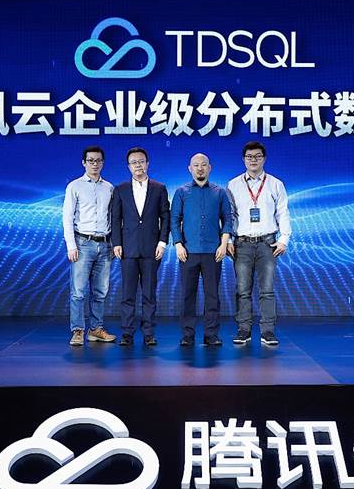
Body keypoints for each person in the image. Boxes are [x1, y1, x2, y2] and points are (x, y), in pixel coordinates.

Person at [226, 141, 292, 346]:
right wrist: (228, 239)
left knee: (267, 290)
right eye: (249, 156)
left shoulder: (275, 184)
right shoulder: (233, 184)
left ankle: (268, 331)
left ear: (264, 159)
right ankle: (243, 330)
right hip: (242, 244)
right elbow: (229, 215)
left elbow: (282, 212)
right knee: (242, 290)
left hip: (267, 244)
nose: (253, 160)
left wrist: (284, 239)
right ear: (243, 159)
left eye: (257, 156)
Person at [171, 153, 233, 346]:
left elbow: (228, 219)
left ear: (209, 168)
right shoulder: (181, 192)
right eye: (196, 165)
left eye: (203, 165)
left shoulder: (219, 192)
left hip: (213, 252)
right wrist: (178, 244)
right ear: (190, 168)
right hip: (188, 252)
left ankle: (211, 335)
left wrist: (223, 244)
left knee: (212, 296)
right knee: (188, 295)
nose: (200, 168)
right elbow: (174, 220)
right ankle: (187, 335)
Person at [111, 147, 170, 346]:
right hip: (127, 249)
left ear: (147, 163)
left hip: (152, 249)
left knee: (149, 294)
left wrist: (162, 242)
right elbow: (115, 218)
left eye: (141, 161)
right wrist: (116, 243)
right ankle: (127, 333)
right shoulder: (120, 189)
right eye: (134, 162)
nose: (138, 165)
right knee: (128, 294)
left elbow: (165, 217)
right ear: (128, 166)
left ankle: (148, 333)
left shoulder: (159, 188)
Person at [62, 145, 117, 346]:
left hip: (105, 244)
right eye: (91, 160)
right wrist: (71, 245)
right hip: (82, 243)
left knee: (100, 291)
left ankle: (95, 329)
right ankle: (77, 331)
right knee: (78, 291)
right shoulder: (74, 186)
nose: (95, 164)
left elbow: (113, 217)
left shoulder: (109, 188)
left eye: (98, 160)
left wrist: (114, 243)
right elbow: (67, 217)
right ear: (83, 162)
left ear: (103, 163)